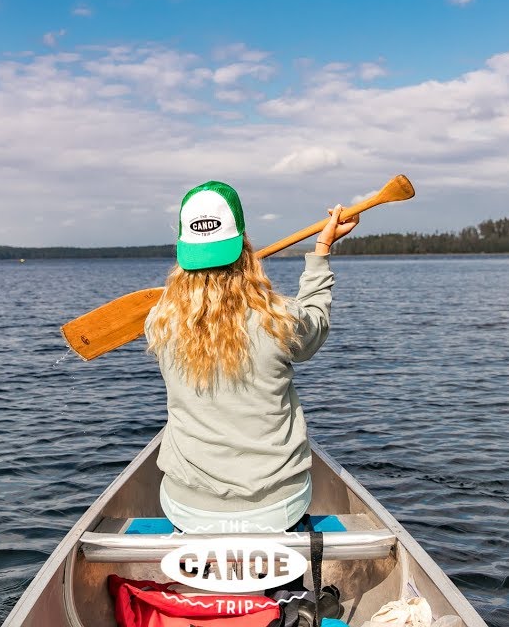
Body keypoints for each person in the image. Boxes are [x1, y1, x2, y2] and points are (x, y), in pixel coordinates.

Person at [144, 180, 359, 534]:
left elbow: (189, 307)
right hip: (278, 507)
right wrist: (321, 251)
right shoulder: (280, 319)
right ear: (244, 247)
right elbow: (315, 324)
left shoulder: (159, 323)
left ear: (183, 253)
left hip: (189, 508)